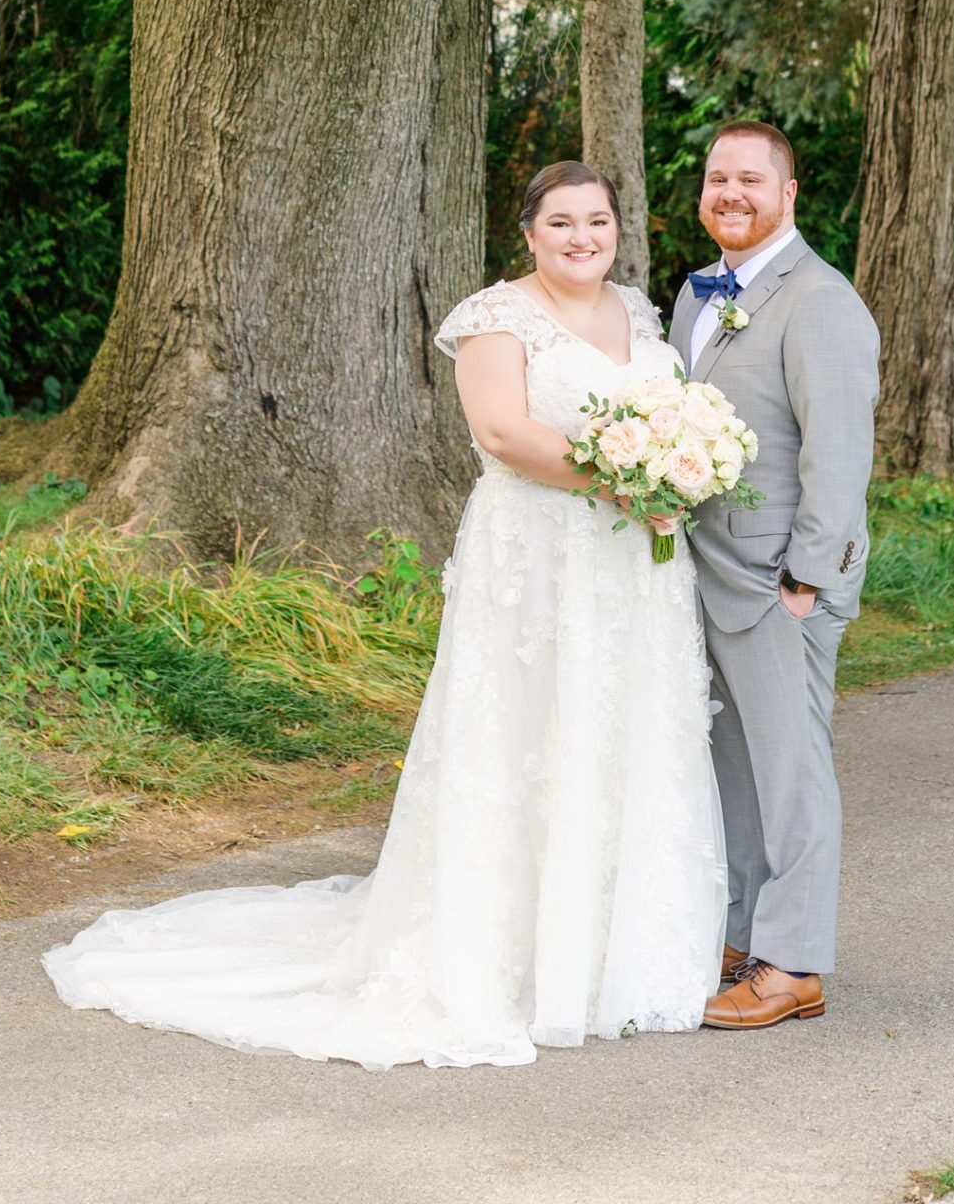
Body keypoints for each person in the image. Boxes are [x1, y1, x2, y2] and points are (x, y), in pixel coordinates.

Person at [43, 161, 725, 1068]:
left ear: (615, 229)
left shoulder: (640, 313)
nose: (580, 238)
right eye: (560, 223)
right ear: (528, 233)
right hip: (537, 559)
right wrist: (630, 479)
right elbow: (503, 434)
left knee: (618, 731)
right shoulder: (495, 317)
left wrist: (673, 473)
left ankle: (610, 952)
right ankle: (508, 955)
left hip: (629, 566)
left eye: (595, 221)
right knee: (527, 732)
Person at [669, 120, 879, 1030]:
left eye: (750, 179)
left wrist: (806, 581)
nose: (731, 193)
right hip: (706, 573)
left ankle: (793, 962)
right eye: (718, 178)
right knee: (737, 768)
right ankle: (747, 932)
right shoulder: (694, 292)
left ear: (787, 193)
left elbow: (839, 454)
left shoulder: (821, 301)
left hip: (777, 584)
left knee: (791, 771)